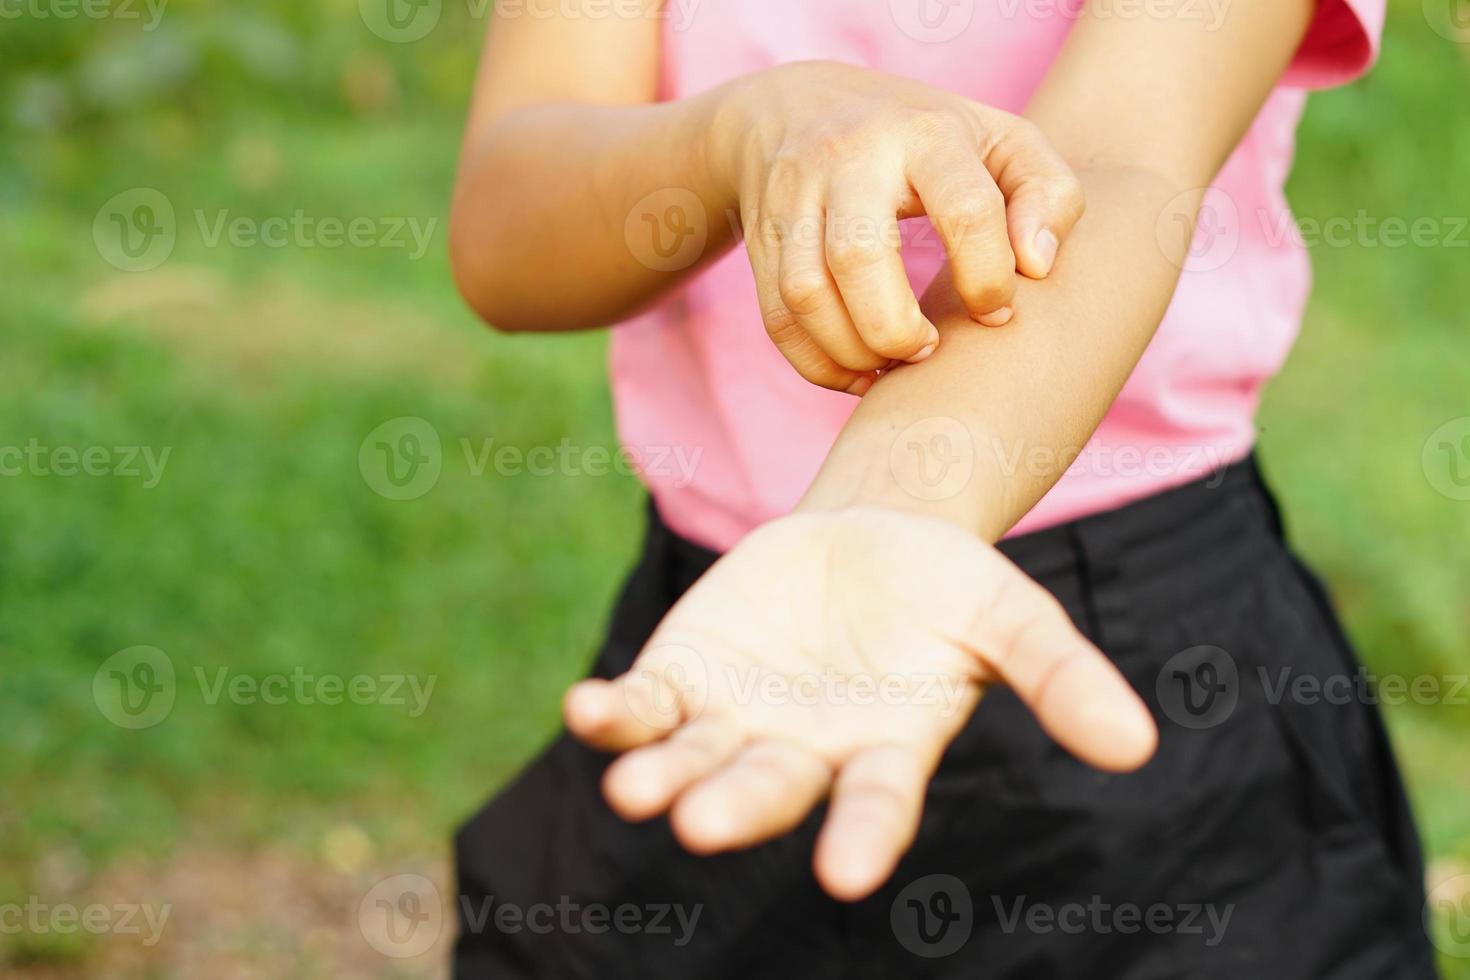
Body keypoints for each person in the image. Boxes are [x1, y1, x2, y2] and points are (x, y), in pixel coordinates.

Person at [447, 1, 1438, 976]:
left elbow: (1114, 169)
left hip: (1129, 650)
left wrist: (885, 511)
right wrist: (737, 133)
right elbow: (506, 224)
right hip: (728, 640)